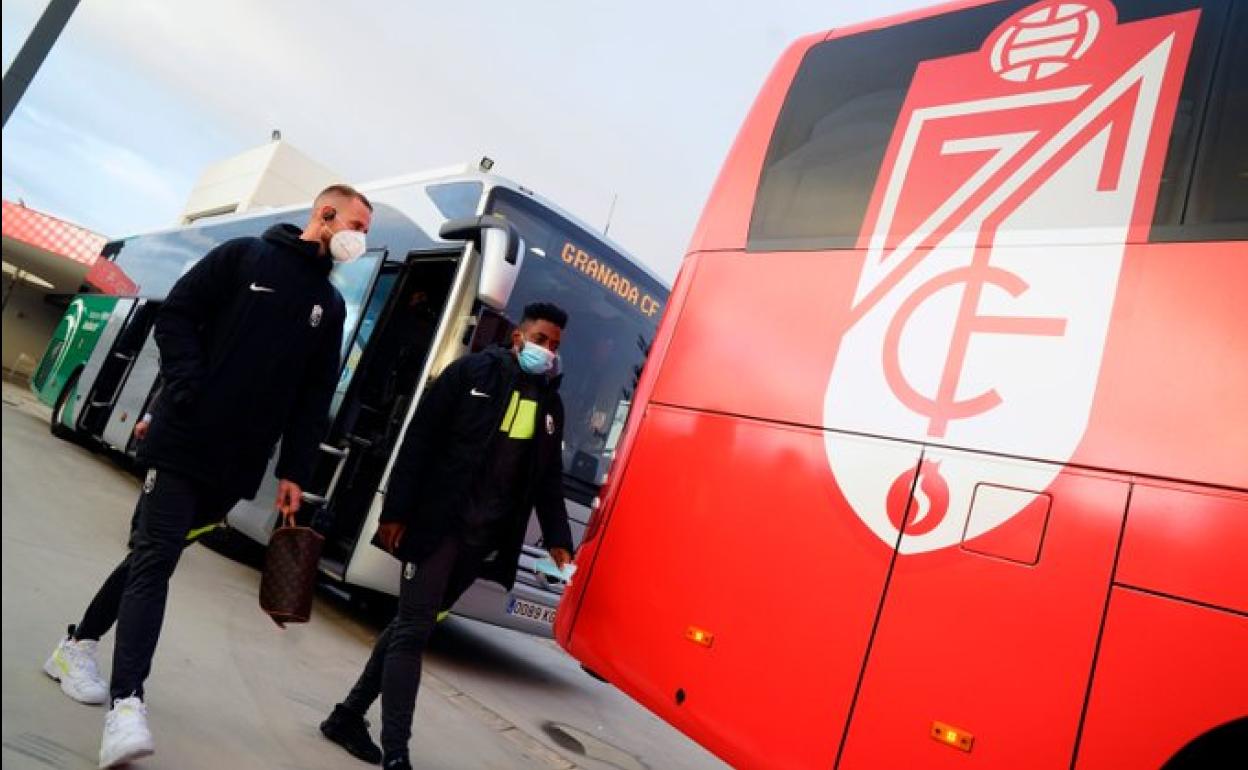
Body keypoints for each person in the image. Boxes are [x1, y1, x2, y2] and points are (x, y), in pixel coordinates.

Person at [42, 184, 374, 768]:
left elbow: (311, 397)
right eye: (355, 224)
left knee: (151, 554)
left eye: (365, 230)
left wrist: (295, 470)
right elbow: (176, 316)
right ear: (324, 216)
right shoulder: (245, 257)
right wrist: (189, 385)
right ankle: (126, 707)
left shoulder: (331, 306)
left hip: (237, 464)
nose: (360, 238)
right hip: (184, 439)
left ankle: (75, 646)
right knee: (156, 560)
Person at [320, 302, 576, 770]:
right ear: (518, 337)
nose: (548, 351)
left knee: (407, 628)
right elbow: (418, 441)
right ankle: (397, 753)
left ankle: (346, 716)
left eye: (555, 345)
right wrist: (396, 512)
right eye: (541, 339)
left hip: (482, 540)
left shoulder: (549, 405)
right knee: (415, 632)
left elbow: (547, 479)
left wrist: (560, 538)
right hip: (436, 526)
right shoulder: (471, 374)